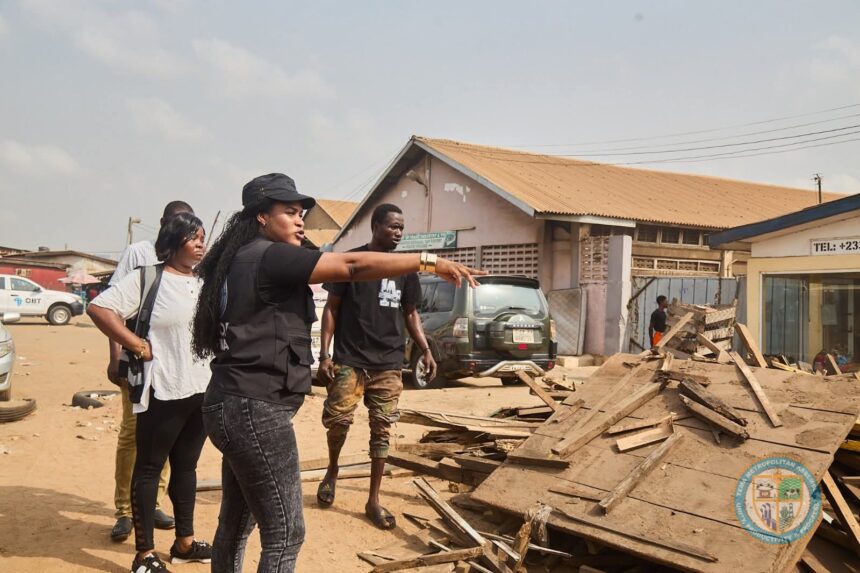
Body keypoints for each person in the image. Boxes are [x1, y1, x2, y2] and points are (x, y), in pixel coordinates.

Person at [191, 173, 482, 573]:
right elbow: (349, 263)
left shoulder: (240, 258)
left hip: (228, 403)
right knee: (286, 533)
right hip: (254, 409)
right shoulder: (269, 256)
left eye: (302, 214)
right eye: (289, 212)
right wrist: (430, 260)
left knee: (237, 524)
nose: (300, 221)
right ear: (261, 216)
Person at [89, 213, 213, 573]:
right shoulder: (148, 278)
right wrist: (136, 344)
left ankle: (185, 542)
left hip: (200, 389)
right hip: (162, 390)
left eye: (203, 237)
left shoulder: (205, 281)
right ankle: (144, 554)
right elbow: (99, 308)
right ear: (173, 241)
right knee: (148, 469)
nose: (201, 244)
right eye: (194, 237)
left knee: (186, 467)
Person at [315, 203, 435, 530]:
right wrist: (325, 354)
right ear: (376, 226)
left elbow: (411, 313)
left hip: (389, 363)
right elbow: (331, 309)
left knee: (381, 429)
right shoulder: (351, 262)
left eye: (401, 227)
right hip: (350, 360)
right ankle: (333, 468)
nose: (398, 232)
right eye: (393, 226)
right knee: (338, 422)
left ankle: (373, 499)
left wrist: (425, 349)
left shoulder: (406, 268)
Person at [106, 200, 194, 542]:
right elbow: (112, 306)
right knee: (132, 435)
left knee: (167, 438)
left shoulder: (188, 264)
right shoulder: (138, 253)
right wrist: (117, 356)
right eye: (176, 224)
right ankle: (124, 511)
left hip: (173, 370)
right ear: (163, 224)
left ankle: (151, 504)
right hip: (139, 365)